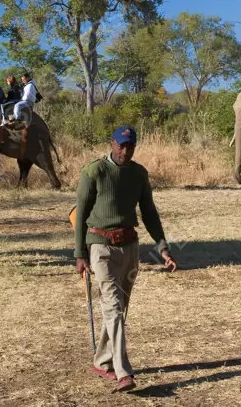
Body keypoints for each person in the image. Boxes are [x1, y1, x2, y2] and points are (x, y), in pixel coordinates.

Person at [74, 126, 178, 393]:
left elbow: (149, 213)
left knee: (120, 309)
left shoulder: (139, 174)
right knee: (114, 308)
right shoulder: (93, 171)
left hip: (130, 247)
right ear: (112, 144)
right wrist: (79, 254)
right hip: (100, 248)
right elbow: (81, 213)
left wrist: (163, 247)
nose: (125, 150)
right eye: (121, 145)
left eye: (130, 146)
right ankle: (124, 373)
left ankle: (102, 361)